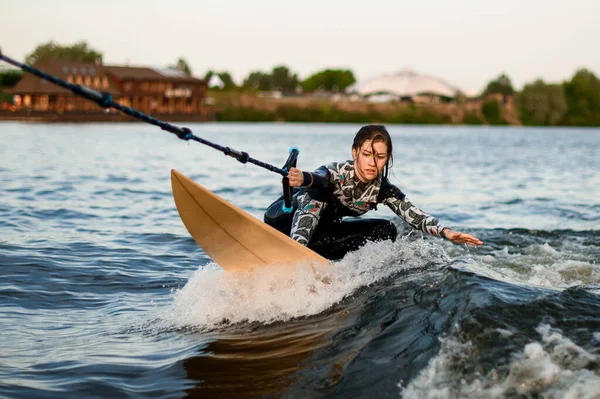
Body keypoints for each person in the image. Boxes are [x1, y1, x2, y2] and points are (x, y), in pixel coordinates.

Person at [264, 125, 483, 260]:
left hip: (321, 237)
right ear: (355, 152)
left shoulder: (382, 189)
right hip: (283, 219)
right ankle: (297, 254)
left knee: (386, 230)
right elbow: (319, 179)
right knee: (320, 191)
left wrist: (447, 232)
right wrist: (304, 178)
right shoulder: (335, 172)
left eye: (380, 157)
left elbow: (412, 214)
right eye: (367, 154)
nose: (372, 163)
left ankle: (332, 264)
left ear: (387, 158)